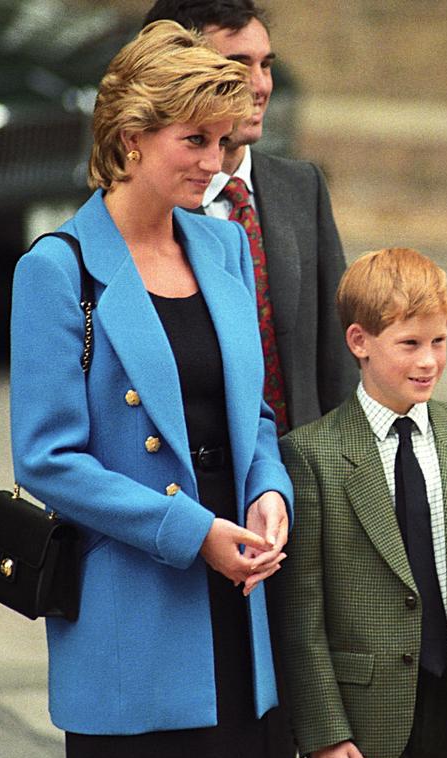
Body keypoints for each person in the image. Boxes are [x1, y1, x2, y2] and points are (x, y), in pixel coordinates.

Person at [9, 20, 293, 758]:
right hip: (134, 608)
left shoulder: (224, 244)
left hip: (242, 598)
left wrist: (270, 493)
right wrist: (193, 533)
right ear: (133, 136)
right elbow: (46, 459)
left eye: (224, 143)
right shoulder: (57, 269)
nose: (214, 163)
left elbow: (253, 415)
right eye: (194, 141)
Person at [270, 248, 447, 758]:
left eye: (438, 340)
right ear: (359, 342)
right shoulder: (312, 453)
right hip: (365, 721)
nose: (429, 360)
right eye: (409, 343)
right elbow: (303, 610)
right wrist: (324, 732)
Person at [143, 0, 357, 433]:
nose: (259, 85)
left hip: (300, 473)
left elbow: (338, 361)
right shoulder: (148, 207)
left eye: (266, 64)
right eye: (238, 65)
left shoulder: (302, 187)